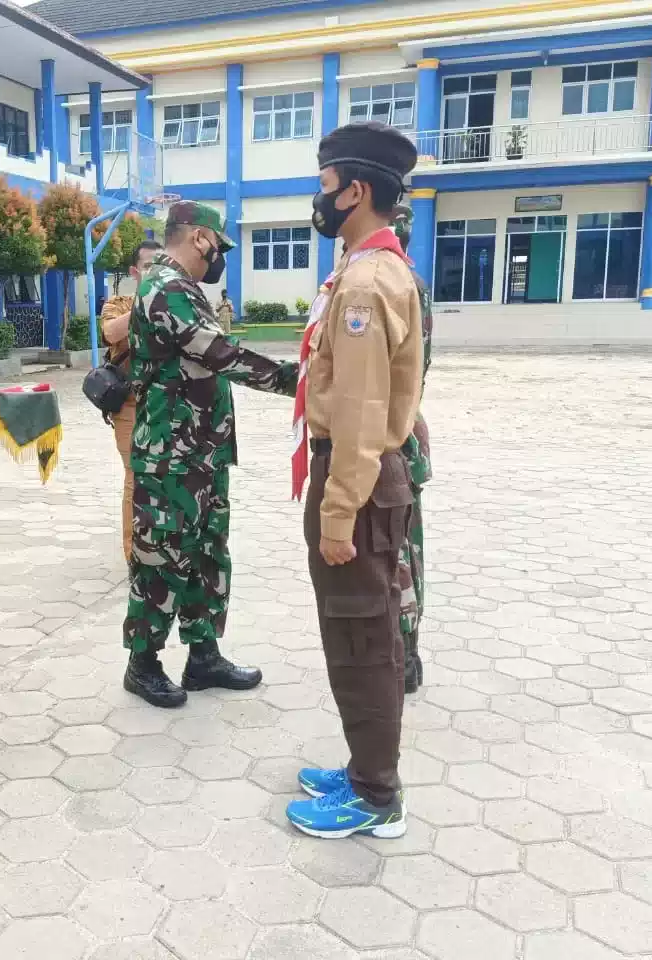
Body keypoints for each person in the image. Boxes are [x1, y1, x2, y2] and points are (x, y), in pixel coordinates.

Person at [286, 121, 421, 840]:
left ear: (357, 190)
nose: (321, 195)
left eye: (326, 183)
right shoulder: (370, 267)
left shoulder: (368, 281)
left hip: (356, 477)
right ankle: (367, 765)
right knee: (358, 633)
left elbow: (366, 413)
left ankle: (375, 796)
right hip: (362, 474)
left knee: (362, 639)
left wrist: (338, 513)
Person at [123, 200, 298, 708]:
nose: (219, 258)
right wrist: (297, 380)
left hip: (200, 451)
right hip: (170, 457)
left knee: (205, 556)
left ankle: (203, 655)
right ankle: (143, 663)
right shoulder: (165, 288)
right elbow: (221, 353)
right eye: (218, 247)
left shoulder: (186, 290)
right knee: (162, 559)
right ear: (200, 238)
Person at [99, 239, 163, 564]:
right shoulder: (119, 304)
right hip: (128, 407)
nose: (157, 272)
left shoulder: (173, 304)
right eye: (150, 266)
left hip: (165, 405)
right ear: (135, 271)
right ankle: (133, 554)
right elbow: (110, 333)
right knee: (135, 476)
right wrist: (145, 305)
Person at [392, 204, 432, 694]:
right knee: (407, 549)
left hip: (387, 443)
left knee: (394, 552)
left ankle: (399, 657)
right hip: (405, 434)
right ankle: (408, 653)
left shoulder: (388, 284)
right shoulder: (414, 283)